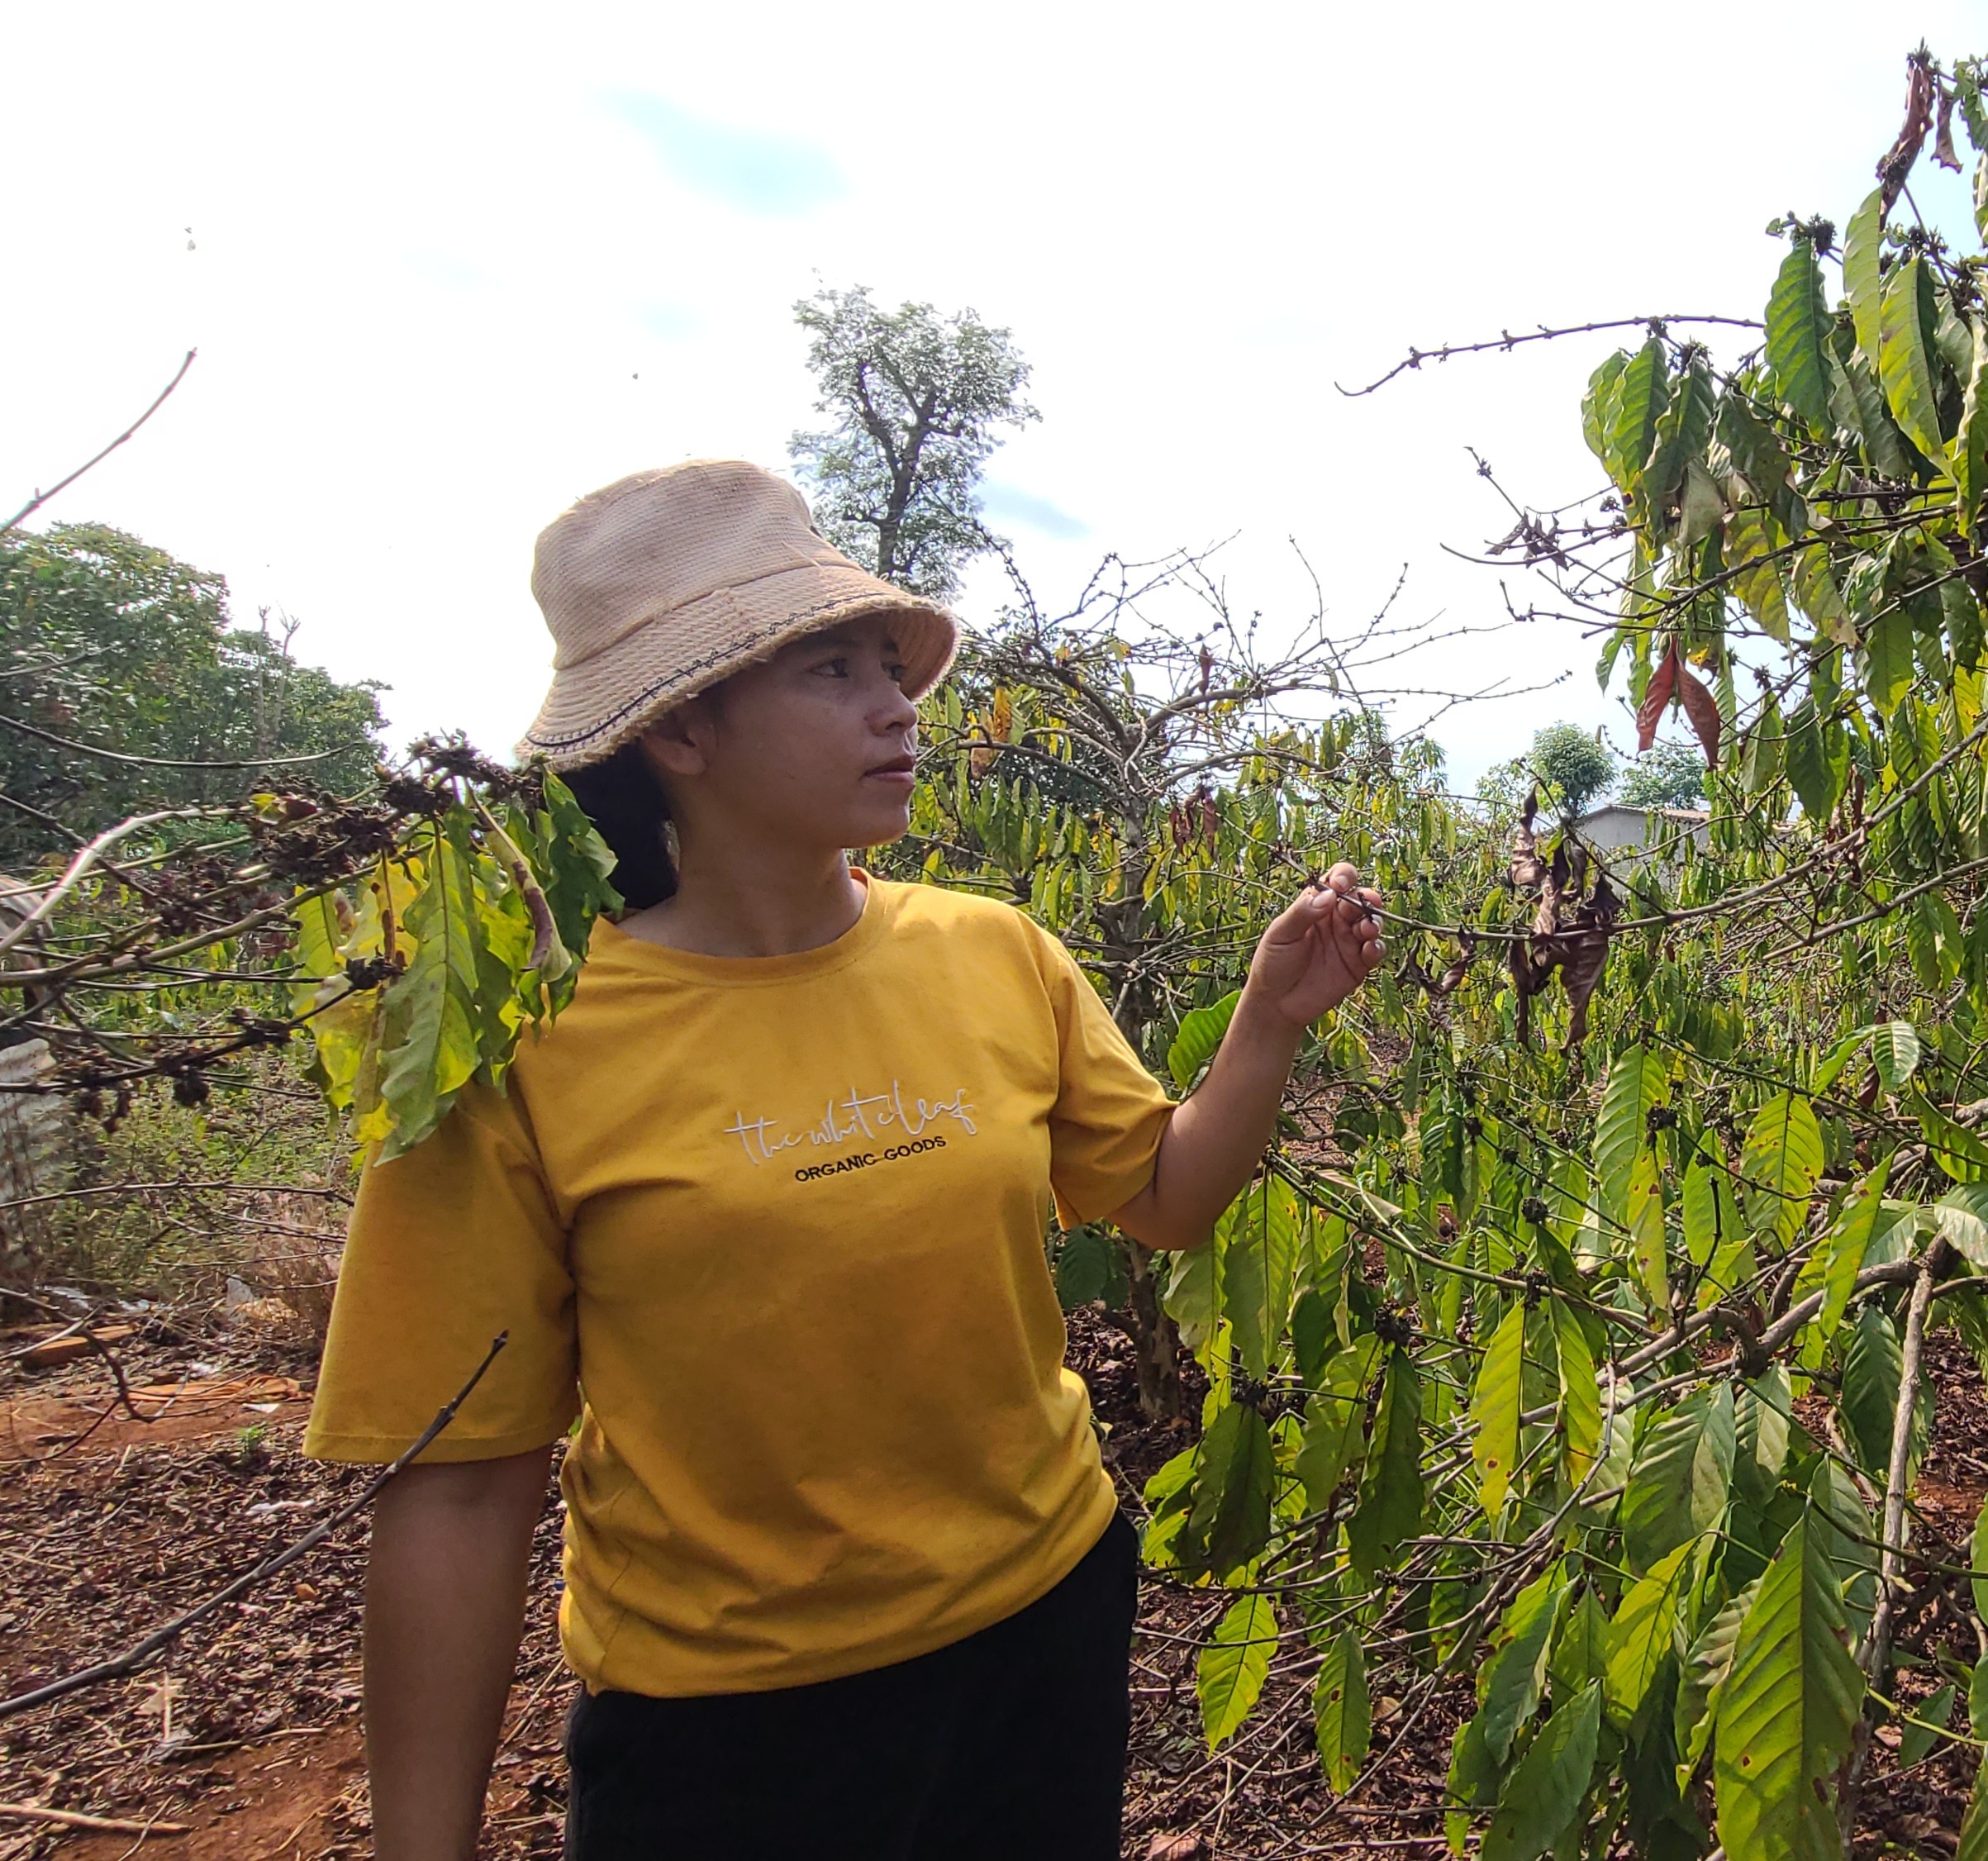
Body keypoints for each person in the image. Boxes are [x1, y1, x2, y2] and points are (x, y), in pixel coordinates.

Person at [301, 459, 1384, 1860]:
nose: (898, 705)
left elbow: (1164, 1198)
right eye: (833, 671)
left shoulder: (993, 953)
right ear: (682, 729)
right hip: (730, 1726)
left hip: (1039, 1630)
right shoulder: (524, 1043)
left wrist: (1267, 1023)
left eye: (891, 663)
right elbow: (459, 1478)